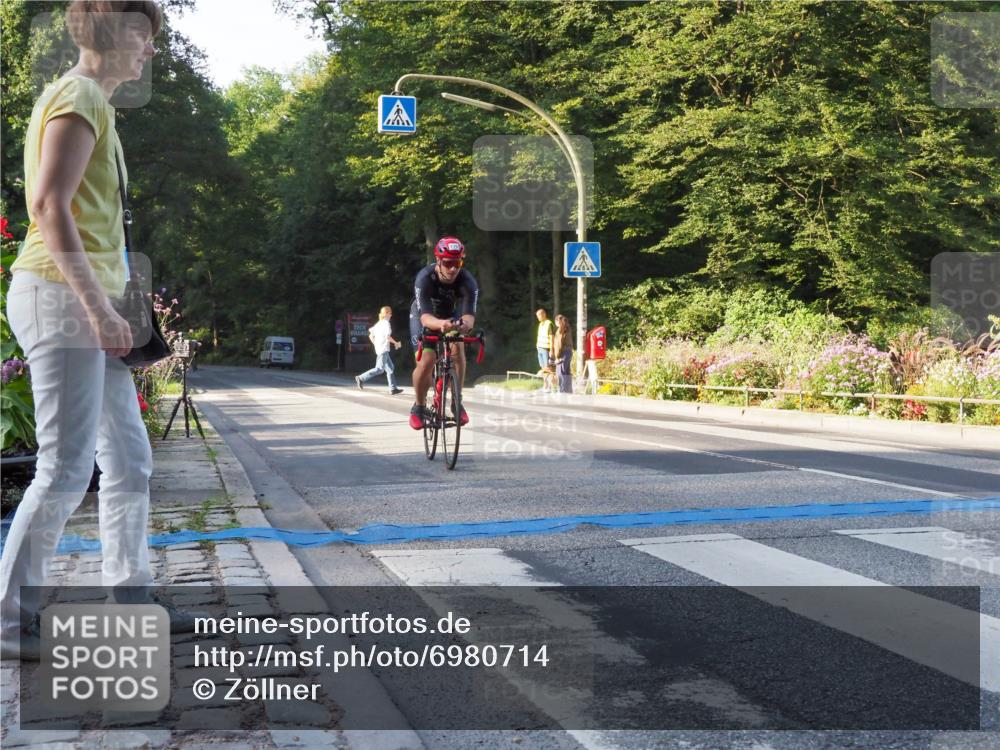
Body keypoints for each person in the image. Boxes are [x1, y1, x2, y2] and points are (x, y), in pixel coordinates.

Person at [1, 1, 193, 661]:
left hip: (83, 304)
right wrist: (99, 309)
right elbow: (48, 205)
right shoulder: (80, 95)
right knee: (64, 466)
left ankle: (131, 597)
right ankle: (9, 623)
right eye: (144, 35)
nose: (151, 51)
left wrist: (116, 308)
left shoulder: (94, 104)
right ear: (114, 33)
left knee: (129, 458)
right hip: (61, 300)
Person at [408, 236, 478, 429]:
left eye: (457, 263)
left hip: (450, 315)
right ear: (438, 261)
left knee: (458, 347)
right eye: (448, 263)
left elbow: (469, 316)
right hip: (425, 316)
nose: (453, 268)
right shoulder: (425, 277)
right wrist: (441, 324)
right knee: (427, 361)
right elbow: (425, 318)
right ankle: (419, 407)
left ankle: (456, 402)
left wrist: (464, 325)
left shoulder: (467, 281)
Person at [355, 306, 403, 394]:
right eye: (390, 313)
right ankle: (361, 378)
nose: (391, 315)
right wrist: (396, 343)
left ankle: (393, 388)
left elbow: (370, 335)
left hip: (381, 348)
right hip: (383, 349)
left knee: (390, 368)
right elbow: (387, 337)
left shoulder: (378, 324)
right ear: (386, 313)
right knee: (379, 369)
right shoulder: (386, 323)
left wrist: (376, 344)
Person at [552, 314, 574, 394]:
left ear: (557, 321)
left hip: (563, 352)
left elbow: (559, 345)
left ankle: (562, 390)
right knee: (567, 371)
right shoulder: (567, 328)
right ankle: (568, 390)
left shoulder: (560, 330)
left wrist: (557, 357)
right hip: (569, 351)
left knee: (561, 372)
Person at [535, 308, 555, 392]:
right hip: (540, 348)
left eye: (539, 315)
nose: (538, 317)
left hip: (546, 348)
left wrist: (552, 350)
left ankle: (550, 386)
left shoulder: (549, 323)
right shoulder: (540, 324)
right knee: (543, 367)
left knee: (548, 367)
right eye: (537, 316)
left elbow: (552, 337)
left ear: (544, 314)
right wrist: (537, 346)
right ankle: (545, 385)